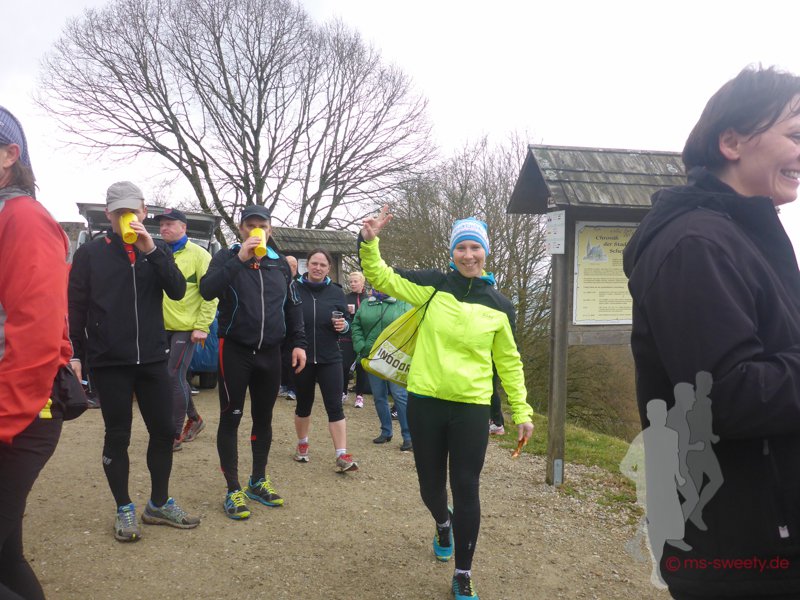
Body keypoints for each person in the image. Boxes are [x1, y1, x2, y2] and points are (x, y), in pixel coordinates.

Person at [622, 65, 800, 599]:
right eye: (795, 135)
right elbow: (724, 397)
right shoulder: (696, 245)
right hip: (740, 553)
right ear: (732, 142)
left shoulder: (746, 237)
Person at [359, 210, 534, 599]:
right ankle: (442, 523)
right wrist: (369, 242)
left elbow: (509, 362)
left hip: (471, 407)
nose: (468, 255)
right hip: (426, 403)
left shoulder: (500, 306)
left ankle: (463, 572)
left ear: (485, 252)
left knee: (467, 487)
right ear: (452, 252)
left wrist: (521, 411)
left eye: (475, 248)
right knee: (430, 486)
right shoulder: (433, 287)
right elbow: (382, 277)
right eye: (461, 248)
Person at [69, 181, 200, 542]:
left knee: (164, 431)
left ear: (144, 212)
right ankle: (124, 507)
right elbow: (75, 306)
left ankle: (158, 503)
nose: (127, 217)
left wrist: (152, 250)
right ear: (109, 215)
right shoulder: (90, 253)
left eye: (133, 210)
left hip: (153, 358)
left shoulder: (157, 250)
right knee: (118, 435)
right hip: (110, 361)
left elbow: (177, 290)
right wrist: (75, 353)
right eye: (120, 212)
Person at [0, 107, 72, 598]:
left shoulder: (23, 218)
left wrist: (4, 420)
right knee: (6, 559)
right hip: (14, 409)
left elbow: (35, 334)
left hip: (21, 414)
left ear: (10, 155)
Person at [199, 205, 306, 520]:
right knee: (231, 417)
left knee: (264, 418)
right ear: (241, 228)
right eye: (249, 225)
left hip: (271, 352)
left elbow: (292, 306)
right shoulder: (227, 257)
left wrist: (299, 344)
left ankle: (257, 480)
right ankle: (233, 489)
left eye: (262, 225)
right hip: (235, 350)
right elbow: (207, 290)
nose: (256, 230)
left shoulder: (280, 264)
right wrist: (240, 259)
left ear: (270, 230)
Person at [291, 248, 358, 472]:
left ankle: (342, 455)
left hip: (330, 357)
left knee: (335, 405)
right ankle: (302, 444)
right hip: (302, 357)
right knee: (304, 404)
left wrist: (344, 325)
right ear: (307, 265)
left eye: (323, 265)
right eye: (314, 263)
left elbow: (346, 323)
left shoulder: (336, 292)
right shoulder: (294, 288)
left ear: (329, 268)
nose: (318, 268)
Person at [156, 208, 217, 451]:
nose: (164, 228)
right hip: (159, 327)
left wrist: (202, 326)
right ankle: (195, 418)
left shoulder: (200, 255)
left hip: (186, 328)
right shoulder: (156, 252)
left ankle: (174, 434)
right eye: (162, 224)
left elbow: (211, 294)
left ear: (183, 227)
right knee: (169, 377)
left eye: (170, 224)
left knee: (173, 375)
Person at [351, 288, 413, 450]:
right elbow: (356, 326)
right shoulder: (366, 304)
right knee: (379, 396)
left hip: (395, 358)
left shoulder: (404, 303)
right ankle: (386, 431)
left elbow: (411, 329)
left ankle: (408, 436)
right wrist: (361, 346)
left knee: (400, 395)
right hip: (372, 356)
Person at [341, 271, 369, 408]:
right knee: (345, 366)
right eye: (350, 281)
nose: (352, 284)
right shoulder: (345, 298)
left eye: (355, 281)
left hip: (363, 338)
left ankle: (359, 396)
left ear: (362, 282)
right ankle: (343, 392)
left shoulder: (368, 299)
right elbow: (340, 315)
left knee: (361, 367)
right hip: (347, 337)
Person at [279, 255, 299, 402]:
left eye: (292, 266)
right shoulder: (279, 281)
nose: (290, 268)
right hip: (280, 326)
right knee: (282, 357)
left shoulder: (298, 284)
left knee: (293, 357)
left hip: (294, 327)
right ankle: (283, 384)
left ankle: (293, 388)